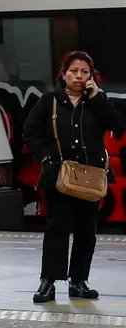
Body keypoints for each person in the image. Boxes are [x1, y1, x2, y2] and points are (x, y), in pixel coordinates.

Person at [22, 51, 125, 303]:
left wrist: (96, 97)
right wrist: (46, 157)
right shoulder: (50, 101)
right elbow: (30, 132)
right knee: (57, 228)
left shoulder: (97, 101)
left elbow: (118, 126)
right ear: (64, 73)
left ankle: (78, 281)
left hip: (91, 175)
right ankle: (48, 282)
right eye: (74, 71)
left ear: (91, 76)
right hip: (59, 175)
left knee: (86, 230)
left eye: (84, 72)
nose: (78, 76)